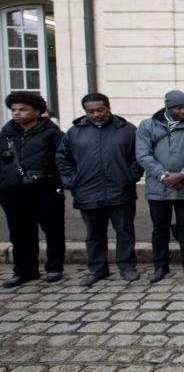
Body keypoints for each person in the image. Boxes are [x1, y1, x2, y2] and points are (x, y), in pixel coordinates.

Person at [56, 93, 143, 286]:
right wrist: (72, 181)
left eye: (99, 110)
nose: (96, 114)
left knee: (125, 231)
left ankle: (127, 266)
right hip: (87, 191)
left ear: (108, 107)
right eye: (91, 111)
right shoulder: (74, 132)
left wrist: (131, 176)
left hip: (120, 190)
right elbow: (63, 158)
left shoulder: (126, 129)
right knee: (94, 234)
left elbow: (138, 156)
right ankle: (97, 269)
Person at [136, 90, 184, 283]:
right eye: (179, 108)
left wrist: (183, 174)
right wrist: (163, 175)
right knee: (160, 228)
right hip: (158, 188)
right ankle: (160, 265)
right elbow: (143, 154)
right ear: (168, 108)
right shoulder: (147, 126)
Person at [0, 92, 65, 288]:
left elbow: (62, 161)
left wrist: (59, 186)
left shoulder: (52, 134)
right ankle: (24, 270)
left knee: (53, 231)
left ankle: (54, 267)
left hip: (45, 190)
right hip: (13, 192)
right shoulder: (6, 135)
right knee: (20, 233)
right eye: (14, 110)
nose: (17, 113)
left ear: (36, 111)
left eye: (22, 110)